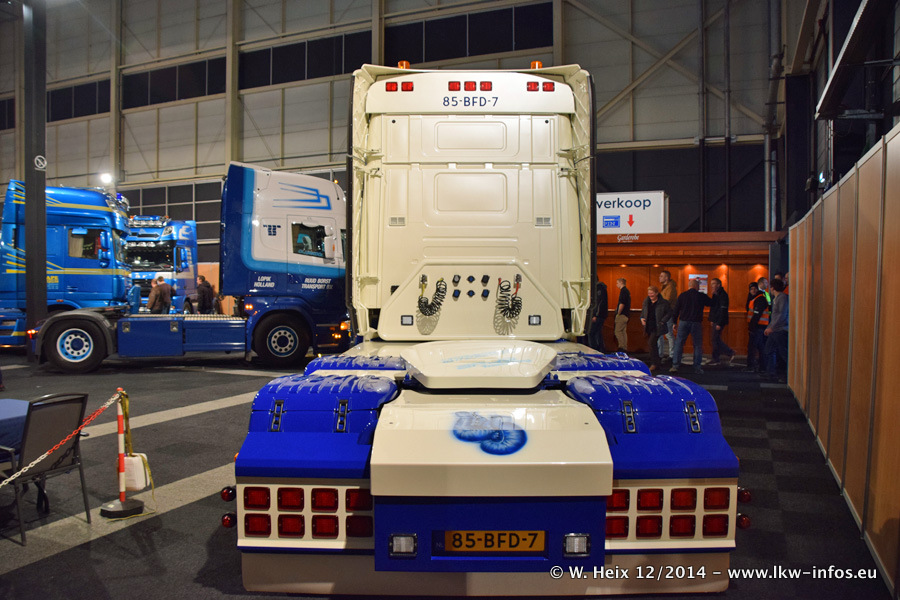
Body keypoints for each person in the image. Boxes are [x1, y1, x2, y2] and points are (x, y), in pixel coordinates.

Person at [669, 278, 710, 374]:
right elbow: (711, 303)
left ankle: (675, 365)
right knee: (697, 345)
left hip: (683, 322)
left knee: (679, 343)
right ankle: (697, 367)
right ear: (697, 286)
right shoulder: (701, 296)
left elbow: (676, 309)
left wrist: (674, 322)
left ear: (689, 286)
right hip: (696, 322)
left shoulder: (682, 295)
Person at [641, 285, 672, 372]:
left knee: (651, 343)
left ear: (656, 293)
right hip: (649, 326)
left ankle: (654, 363)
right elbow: (643, 312)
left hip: (657, 326)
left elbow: (669, 313)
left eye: (652, 293)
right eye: (649, 293)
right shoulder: (646, 301)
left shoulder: (663, 303)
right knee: (653, 345)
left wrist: (662, 321)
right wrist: (642, 318)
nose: (650, 295)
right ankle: (657, 363)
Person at [764, 278, 789, 381]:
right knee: (769, 350)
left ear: (772, 287)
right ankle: (771, 373)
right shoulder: (776, 298)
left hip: (780, 330)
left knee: (783, 353)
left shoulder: (782, 298)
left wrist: (771, 328)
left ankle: (787, 375)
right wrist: (769, 327)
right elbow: (775, 316)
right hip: (775, 329)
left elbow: (781, 315)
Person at [707, 278, 735, 366]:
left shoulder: (723, 295)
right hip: (716, 320)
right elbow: (713, 308)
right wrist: (712, 319)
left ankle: (727, 353)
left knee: (715, 339)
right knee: (716, 339)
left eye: (713, 283)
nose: (711, 285)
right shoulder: (716, 294)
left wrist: (719, 322)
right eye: (711, 283)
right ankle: (719, 356)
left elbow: (723, 310)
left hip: (719, 320)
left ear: (718, 285)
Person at [745, 282, 769, 372]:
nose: (753, 290)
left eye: (755, 288)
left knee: (752, 347)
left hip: (758, 326)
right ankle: (762, 366)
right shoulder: (755, 298)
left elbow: (756, 315)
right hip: (759, 326)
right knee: (760, 347)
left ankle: (752, 366)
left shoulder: (760, 299)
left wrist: (751, 327)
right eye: (751, 289)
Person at [657, 270, 677, 361]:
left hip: (667, 313)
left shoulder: (670, 287)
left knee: (669, 334)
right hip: (662, 312)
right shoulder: (664, 287)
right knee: (660, 334)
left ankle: (672, 355)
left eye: (661, 276)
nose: (659, 277)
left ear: (666, 278)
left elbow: (667, 301)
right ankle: (660, 353)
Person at [588, 281, 608, 353]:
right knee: (598, 333)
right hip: (602, 315)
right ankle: (600, 349)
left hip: (598, 315)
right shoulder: (602, 289)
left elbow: (598, 303)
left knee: (592, 333)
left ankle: (594, 349)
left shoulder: (598, 289)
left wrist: (595, 315)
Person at [614, 278, 630, 352]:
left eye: (617, 283)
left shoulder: (623, 291)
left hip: (622, 315)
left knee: (618, 331)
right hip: (626, 315)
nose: (616, 284)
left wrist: (618, 313)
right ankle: (624, 347)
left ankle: (621, 347)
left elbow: (622, 303)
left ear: (621, 282)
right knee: (623, 332)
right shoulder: (627, 291)